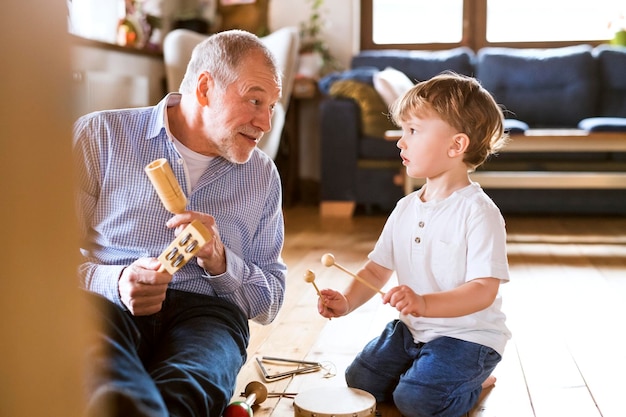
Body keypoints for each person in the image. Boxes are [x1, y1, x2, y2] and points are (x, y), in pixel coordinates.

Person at [73, 30, 287, 417]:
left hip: (209, 314)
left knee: (189, 389)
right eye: (256, 100)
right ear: (205, 88)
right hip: (106, 304)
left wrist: (222, 262)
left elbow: (269, 302)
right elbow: (37, 261)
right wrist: (116, 282)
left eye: (272, 106)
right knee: (101, 384)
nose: (266, 122)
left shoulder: (262, 176)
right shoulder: (100, 136)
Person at [317, 72, 511, 417]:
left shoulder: (479, 213)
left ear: (456, 146)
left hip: (469, 338)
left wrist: (423, 302)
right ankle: (425, 372)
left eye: (413, 131)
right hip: (413, 331)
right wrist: (347, 300)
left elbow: (483, 290)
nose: (400, 142)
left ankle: (475, 382)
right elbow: (376, 269)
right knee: (359, 381)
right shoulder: (405, 207)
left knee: (417, 401)